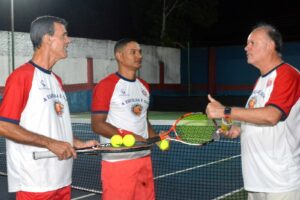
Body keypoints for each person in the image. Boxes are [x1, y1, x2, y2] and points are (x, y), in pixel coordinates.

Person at [0, 15, 98, 200]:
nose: (68, 40)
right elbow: (4, 126)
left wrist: (79, 143)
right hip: (35, 182)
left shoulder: (56, 81)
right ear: (47, 38)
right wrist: (51, 144)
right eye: (64, 35)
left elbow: (55, 127)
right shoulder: (21, 77)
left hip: (62, 179)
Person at [206, 23, 300, 200]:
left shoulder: (287, 74)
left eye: (252, 43)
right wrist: (237, 129)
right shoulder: (261, 81)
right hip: (256, 182)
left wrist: (225, 110)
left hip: (280, 183)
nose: (246, 47)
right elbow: (258, 121)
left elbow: (271, 116)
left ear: (270, 45)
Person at [91, 38, 157, 200]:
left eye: (140, 52)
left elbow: (144, 119)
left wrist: (155, 137)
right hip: (118, 162)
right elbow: (97, 124)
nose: (139, 56)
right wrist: (128, 136)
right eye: (133, 52)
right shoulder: (106, 85)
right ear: (119, 56)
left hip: (143, 159)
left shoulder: (144, 86)